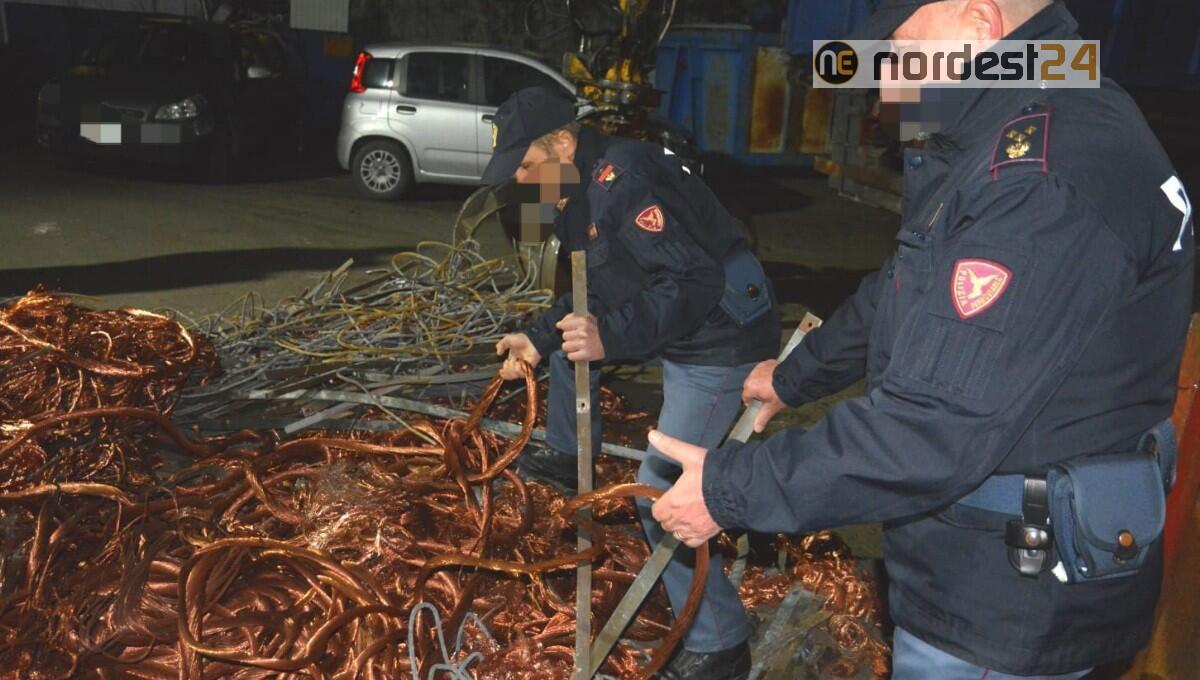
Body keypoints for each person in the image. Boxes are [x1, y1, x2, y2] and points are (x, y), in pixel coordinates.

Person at [650, 1, 1194, 678]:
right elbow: (906, 285)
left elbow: (934, 428)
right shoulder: (1025, 124)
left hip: (1001, 609)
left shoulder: (1042, 177)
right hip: (983, 569)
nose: (884, 88)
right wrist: (793, 378)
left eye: (898, 55)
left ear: (977, 26)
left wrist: (730, 490)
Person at [484, 87, 781, 679]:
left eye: (524, 164)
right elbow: (587, 288)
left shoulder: (627, 180)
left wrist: (611, 338)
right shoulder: (572, 187)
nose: (519, 179)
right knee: (574, 344)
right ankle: (569, 455)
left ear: (563, 142)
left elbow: (692, 283)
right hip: (675, 316)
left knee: (662, 494)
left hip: (718, 335)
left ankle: (720, 644)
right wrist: (540, 338)